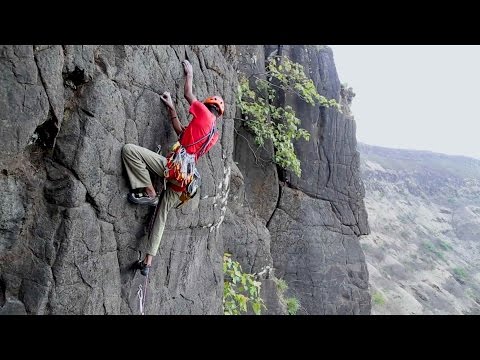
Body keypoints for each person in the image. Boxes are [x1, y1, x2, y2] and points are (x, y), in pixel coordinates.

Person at [122, 59, 224, 276]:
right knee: (162, 212)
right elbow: (182, 134)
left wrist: (190, 74)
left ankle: (149, 191)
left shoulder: (203, 113)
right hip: (186, 179)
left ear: (207, 107)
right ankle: (148, 261)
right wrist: (170, 108)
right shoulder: (213, 135)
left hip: (174, 168)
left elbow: (189, 94)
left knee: (130, 151)